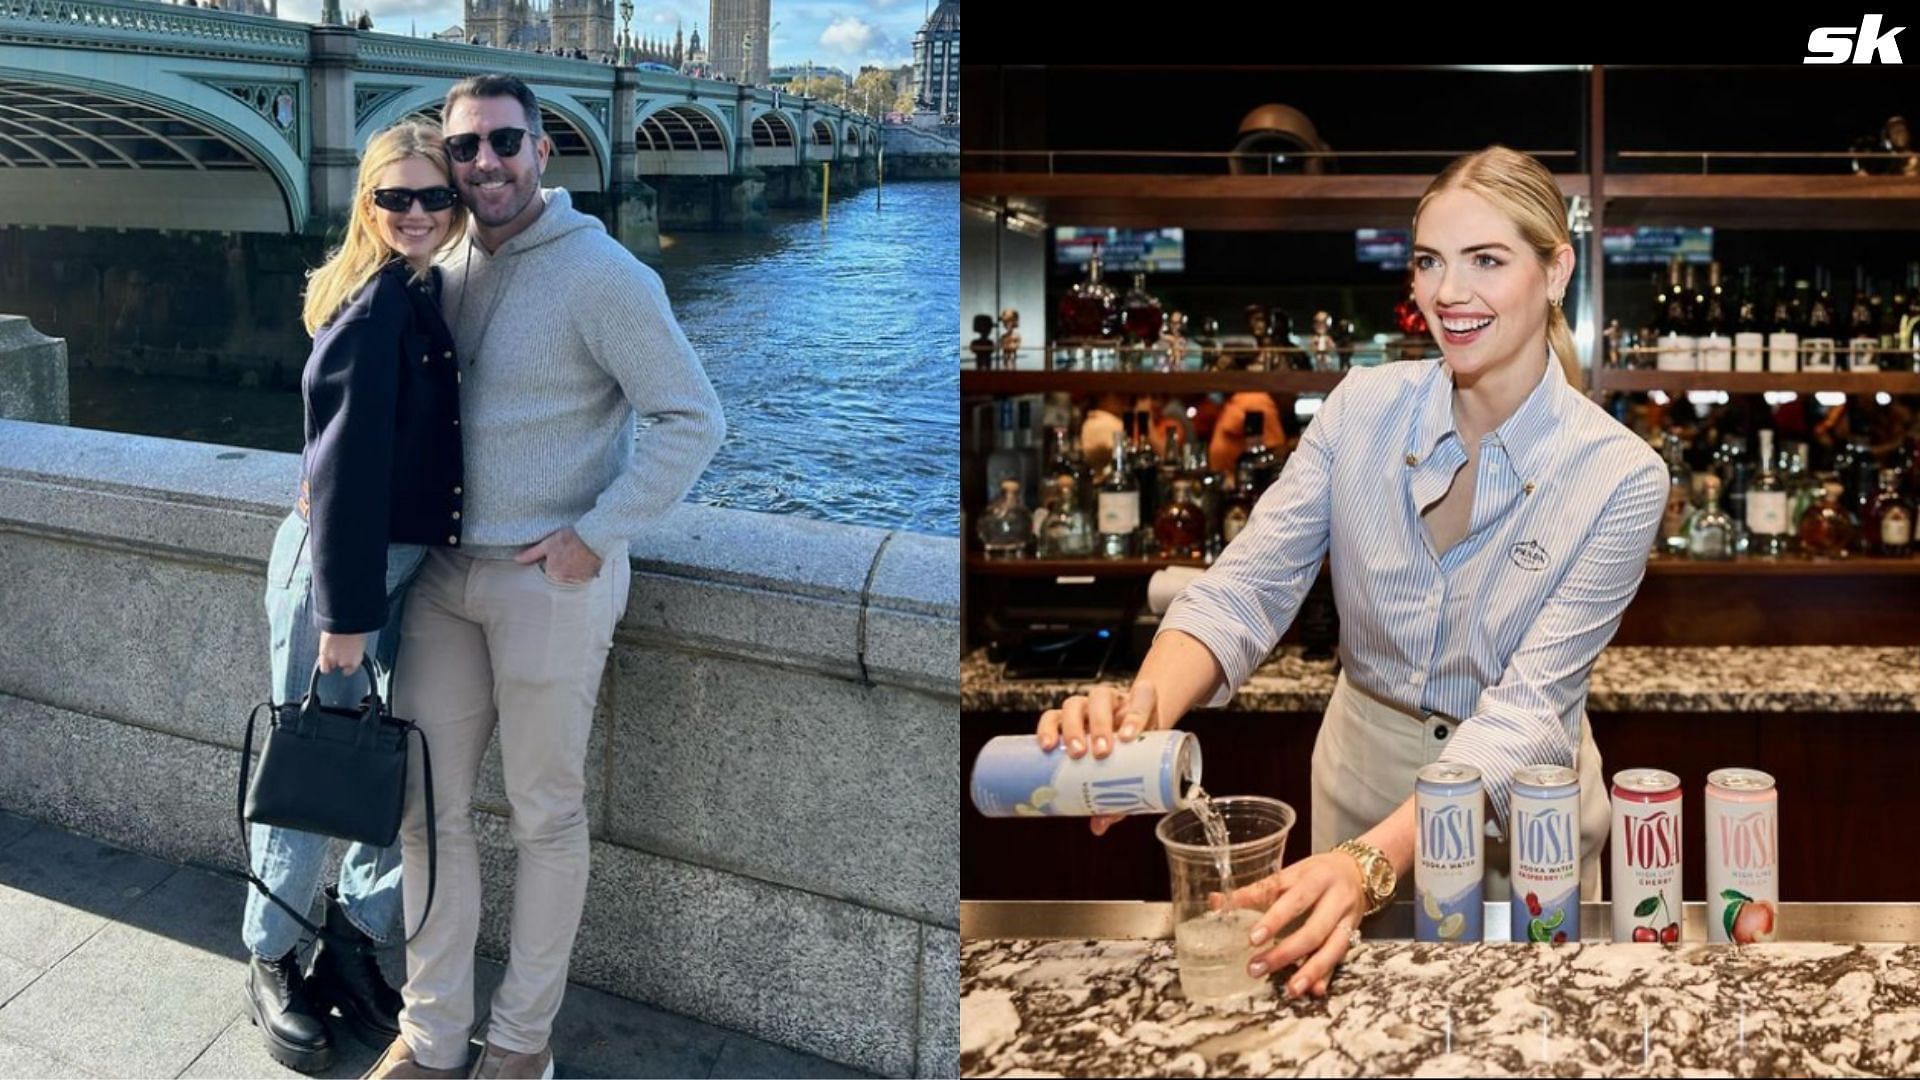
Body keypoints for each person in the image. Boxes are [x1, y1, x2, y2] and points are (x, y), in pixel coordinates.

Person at [1036, 145, 1666, 1001]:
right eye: (1430, 262)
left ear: (1556, 271)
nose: (1450, 294)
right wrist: (1141, 715)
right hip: (1362, 791)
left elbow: (1526, 713)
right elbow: (1247, 588)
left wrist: (1369, 864)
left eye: (1488, 260)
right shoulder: (1361, 409)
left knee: (1530, 1025)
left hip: (1528, 826)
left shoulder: (1620, 475)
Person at [361, 74, 725, 1080]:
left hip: (547, 586)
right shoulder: (442, 257)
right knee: (425, 812)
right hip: (443, 576)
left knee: (544, 814)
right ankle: (433, 1036)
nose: (483, 165)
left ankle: (521, 1044)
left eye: (503, 143)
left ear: (542, 152)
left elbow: (692, 418)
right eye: (465, 148)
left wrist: (597, 534)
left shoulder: (604, 275)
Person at [245, 121, 467, 1073]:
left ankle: (351, 933)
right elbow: (339, 477)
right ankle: (272, 955)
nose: (416, 214)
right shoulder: (377, 309)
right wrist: (342, 622)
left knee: (392, 769)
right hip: (341, 580)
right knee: (309, 773)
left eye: (433, 198)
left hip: (397, 566)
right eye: (396, 199)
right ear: (367, 206)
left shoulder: (422, 292)